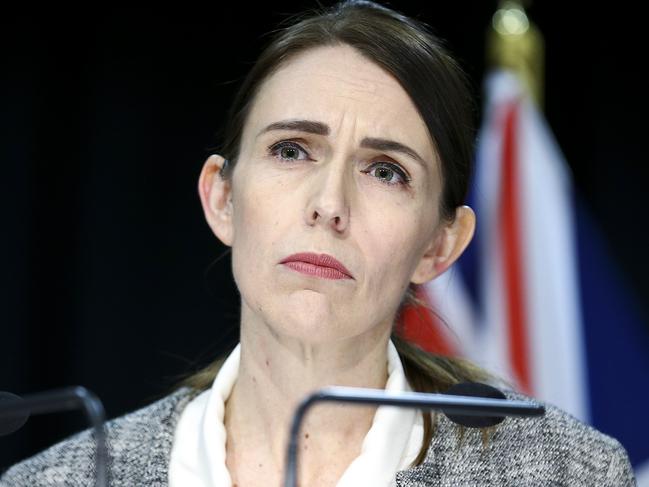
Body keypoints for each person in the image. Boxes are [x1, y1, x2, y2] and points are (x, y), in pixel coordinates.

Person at [0, 0, 636, 486]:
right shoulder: (60, 480)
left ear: (440, 246)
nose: (329, 205)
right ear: (222, 197)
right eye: (291, 150)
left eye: (385, 171)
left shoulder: (567, 474)